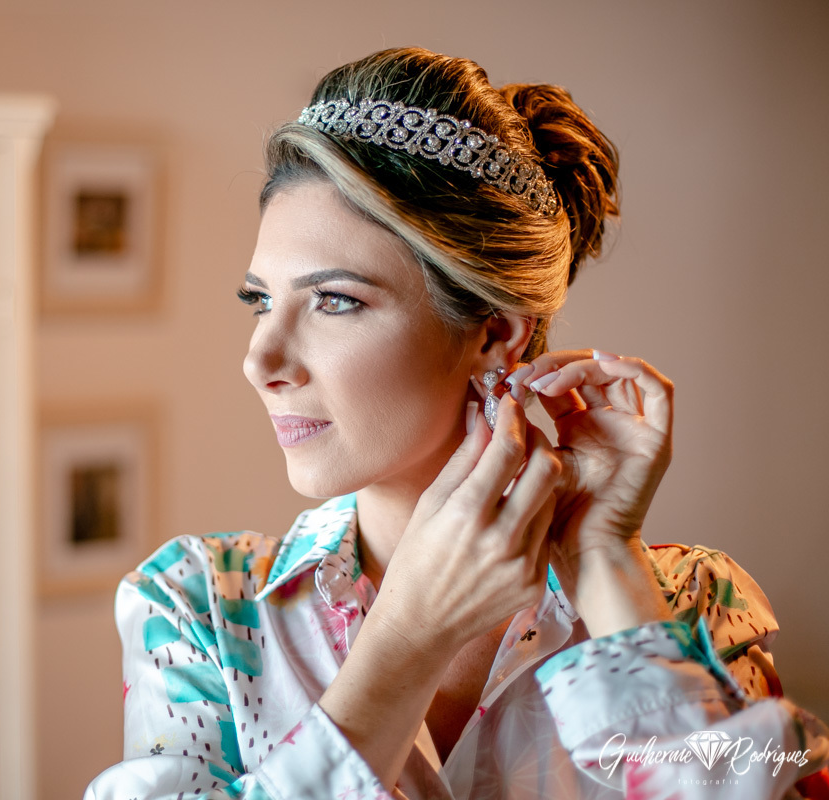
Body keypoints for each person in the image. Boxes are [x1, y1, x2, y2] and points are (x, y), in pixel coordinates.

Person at [84, 47, 829, 799]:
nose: (260, 359)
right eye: (260, 300)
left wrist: (606, 565)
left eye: (334, 300)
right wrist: (405, 645)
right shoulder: (198, 610)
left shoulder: (687, 605)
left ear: (494, 334)